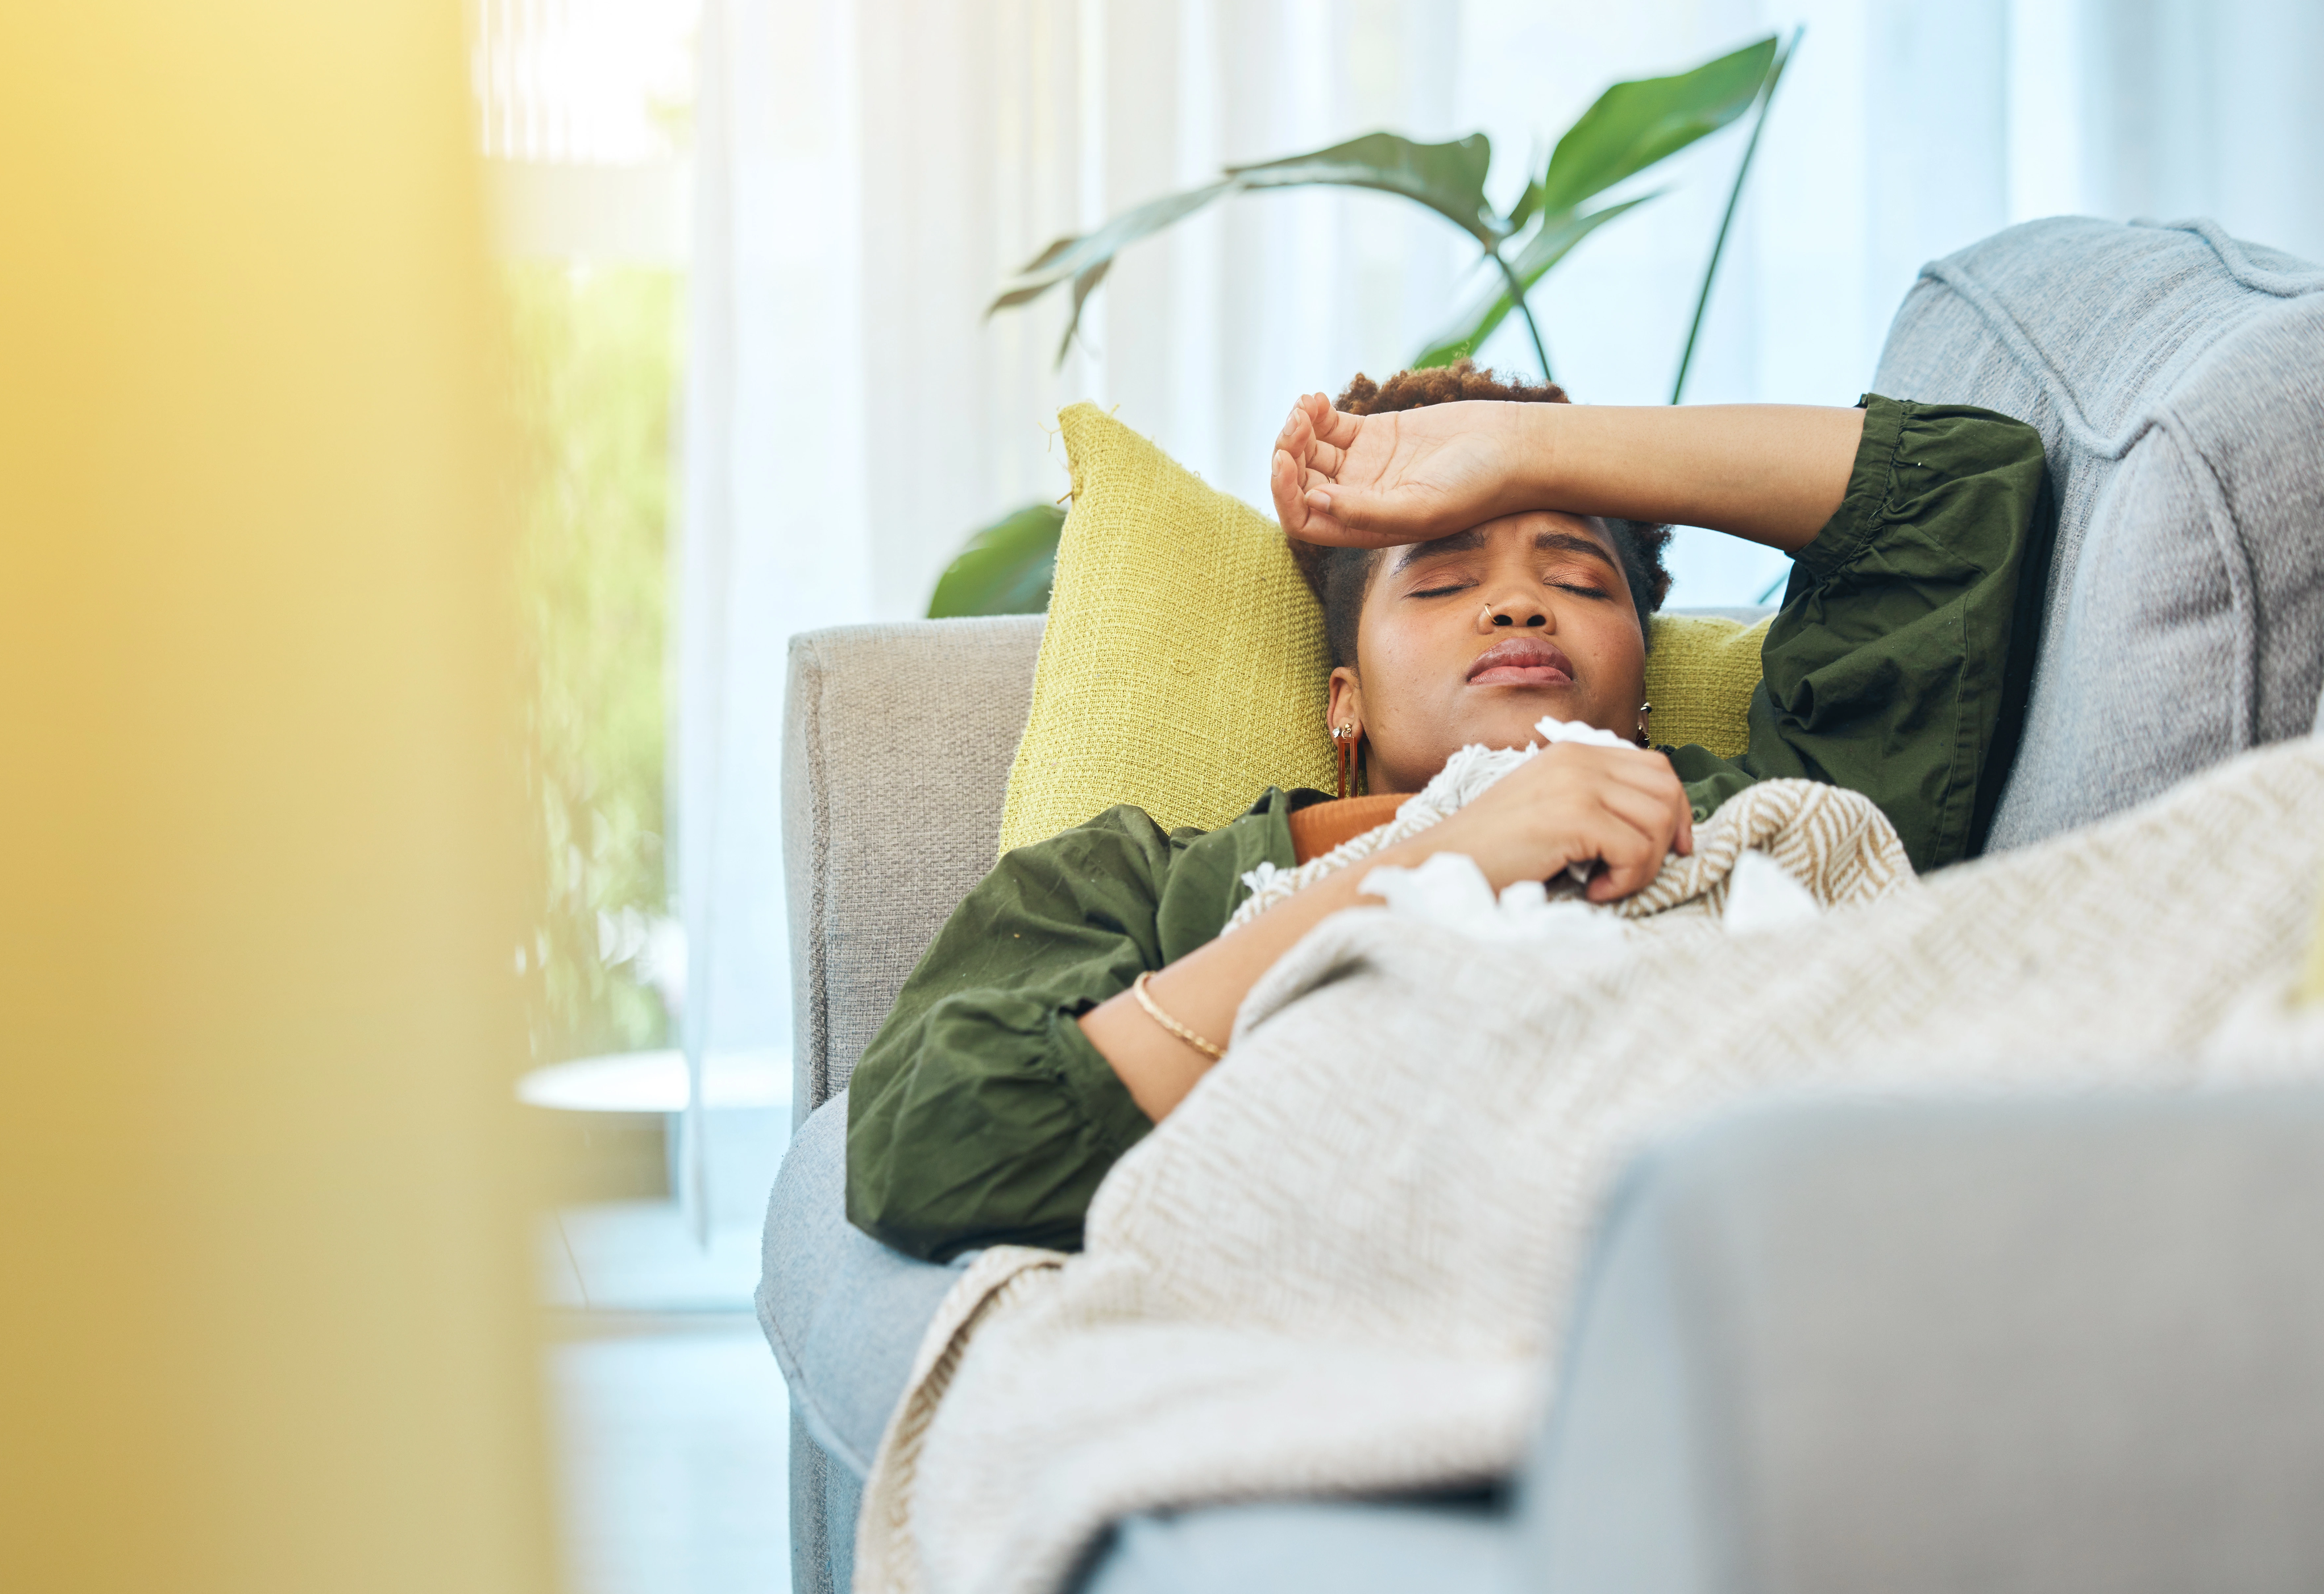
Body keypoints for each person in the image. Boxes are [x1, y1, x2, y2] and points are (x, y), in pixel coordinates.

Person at [847, 362, 2051, 1261]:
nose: (1520, 607)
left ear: (1640, 680)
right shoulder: (1133, 885)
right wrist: (1441, 860)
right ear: (1345, 698)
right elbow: (933, 1145)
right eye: (1443, 580)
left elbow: (1959, 492)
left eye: (1578, 579)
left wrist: (1519, 449)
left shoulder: (1756, 811)